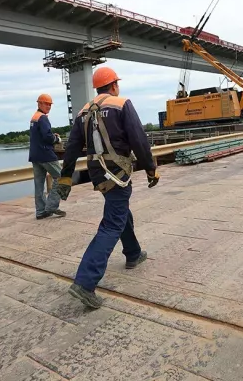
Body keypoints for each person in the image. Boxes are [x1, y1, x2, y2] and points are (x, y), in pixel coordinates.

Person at [55, 66, 160, 308]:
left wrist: (66, 177)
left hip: (97, 173)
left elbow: (71, 147)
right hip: (118, 171)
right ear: (114, 85)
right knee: (112, 222)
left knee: (119, 208)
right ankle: (85, 282)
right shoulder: (121, 104)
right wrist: (151, 169)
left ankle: (133, 253)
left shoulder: (83, 111)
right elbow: (139, 139)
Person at [29, 93, 65, 220]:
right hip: (45, 155)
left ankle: (40, 211)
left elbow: (40, 136)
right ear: (39, 103)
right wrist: (57, 138)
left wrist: (50, 135)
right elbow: (47, 137)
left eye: (50, 104)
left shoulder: (34, 117)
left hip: (35, 155)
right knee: (61, 177)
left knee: (39, 184)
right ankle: (51, 206)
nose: (49, 106)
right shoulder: (43, 118)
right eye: (46, 104)